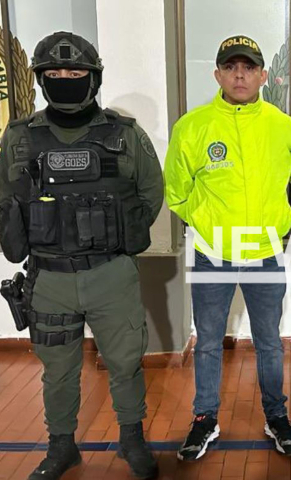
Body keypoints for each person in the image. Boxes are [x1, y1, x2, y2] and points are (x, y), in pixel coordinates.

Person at [0, 32, 164, 480]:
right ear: (40, 79)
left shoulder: (125, 135)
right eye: (54, 73)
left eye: (76, 73)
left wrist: (111, 235)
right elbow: (5, 200)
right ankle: (61, 447)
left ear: (94, 78)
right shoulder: (17, 139)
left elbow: (151, 195)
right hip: (49, 278)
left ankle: (132, 440)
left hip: (111, 272)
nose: (65, 80)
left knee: (126, 363)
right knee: (57, 370)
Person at [164, 34, 291, 461]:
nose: (240, 74)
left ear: (263, 75)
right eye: (231, 67)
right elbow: (176, 193)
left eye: (248, 67)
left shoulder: (280, 125)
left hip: (265, 253)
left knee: (269, 341)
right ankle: (204, 419)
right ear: (217, 74)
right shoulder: (192, 127)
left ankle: (276, 415)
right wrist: (211, 224)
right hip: (212, 254)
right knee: (209, 341)